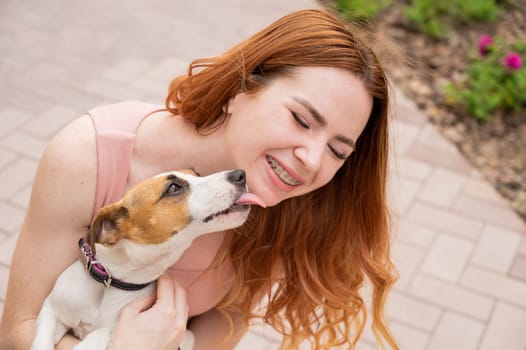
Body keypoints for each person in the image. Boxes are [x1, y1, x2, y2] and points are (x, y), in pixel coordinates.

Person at [0, 8, 399, 350]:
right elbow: (17, 332)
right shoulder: (88, 157)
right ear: (240, 90)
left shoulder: (277, 194)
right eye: (301, 119)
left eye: (338, 151)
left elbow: (229, 317)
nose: (312, 161)